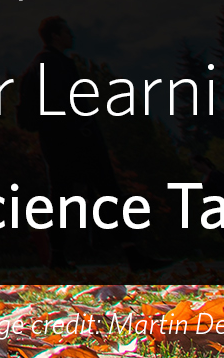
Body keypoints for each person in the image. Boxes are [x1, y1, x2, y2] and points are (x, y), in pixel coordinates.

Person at [27, 18, 154, 271]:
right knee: (108, 192)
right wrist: (81, 129)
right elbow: (65, 102)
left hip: (55, 143)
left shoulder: (36, 67)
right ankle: (132, 253)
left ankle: (57, 257)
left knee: (61, 199)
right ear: (55, 35)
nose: (71, 36)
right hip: (77, 141)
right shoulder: (57, 64)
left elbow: (31, 114)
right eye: (67, 32)